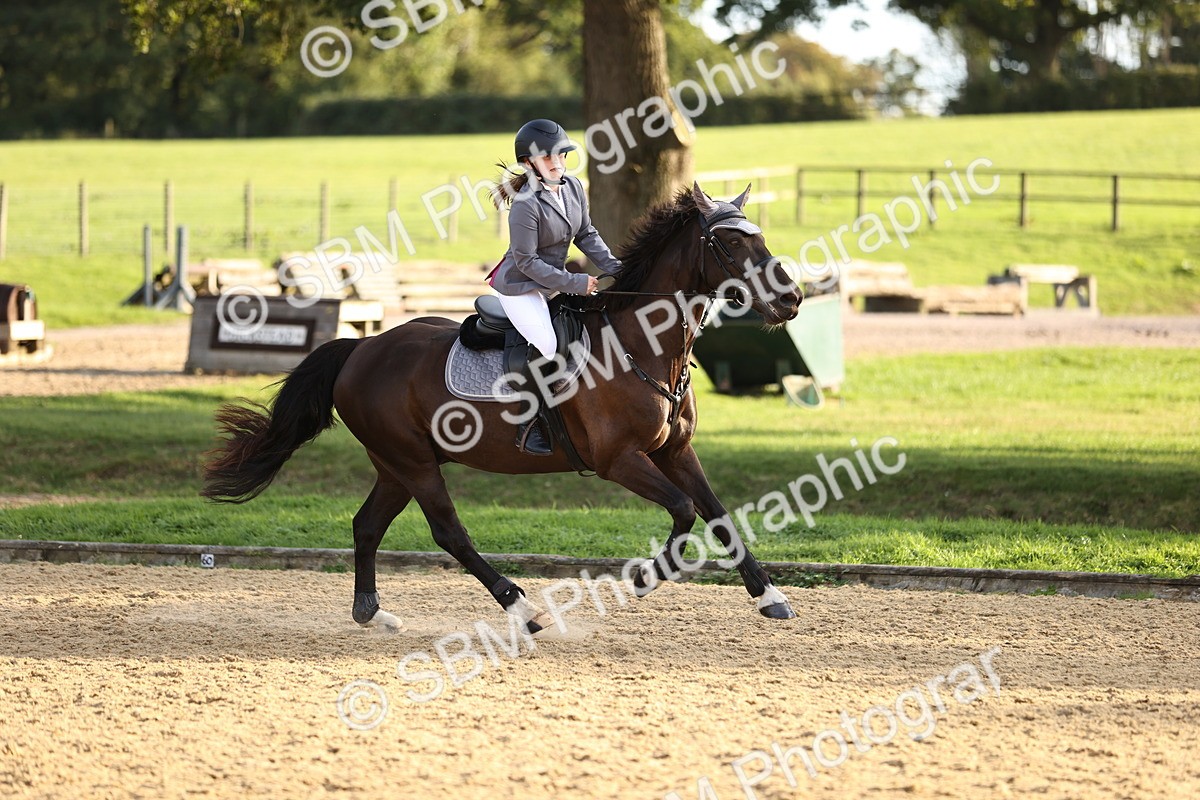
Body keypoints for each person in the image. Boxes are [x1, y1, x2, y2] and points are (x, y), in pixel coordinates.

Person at [488, 119, 623, 455]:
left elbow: (586, 234)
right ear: (528, 163)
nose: (557, 162)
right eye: (547, 157)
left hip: (551, 282)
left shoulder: (574, 187)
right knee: (549, 345)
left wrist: (619, 268)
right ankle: (528, 424)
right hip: (520, 286)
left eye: (561, 154)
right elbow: (526, 262)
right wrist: (576, 283)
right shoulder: (524, 204)